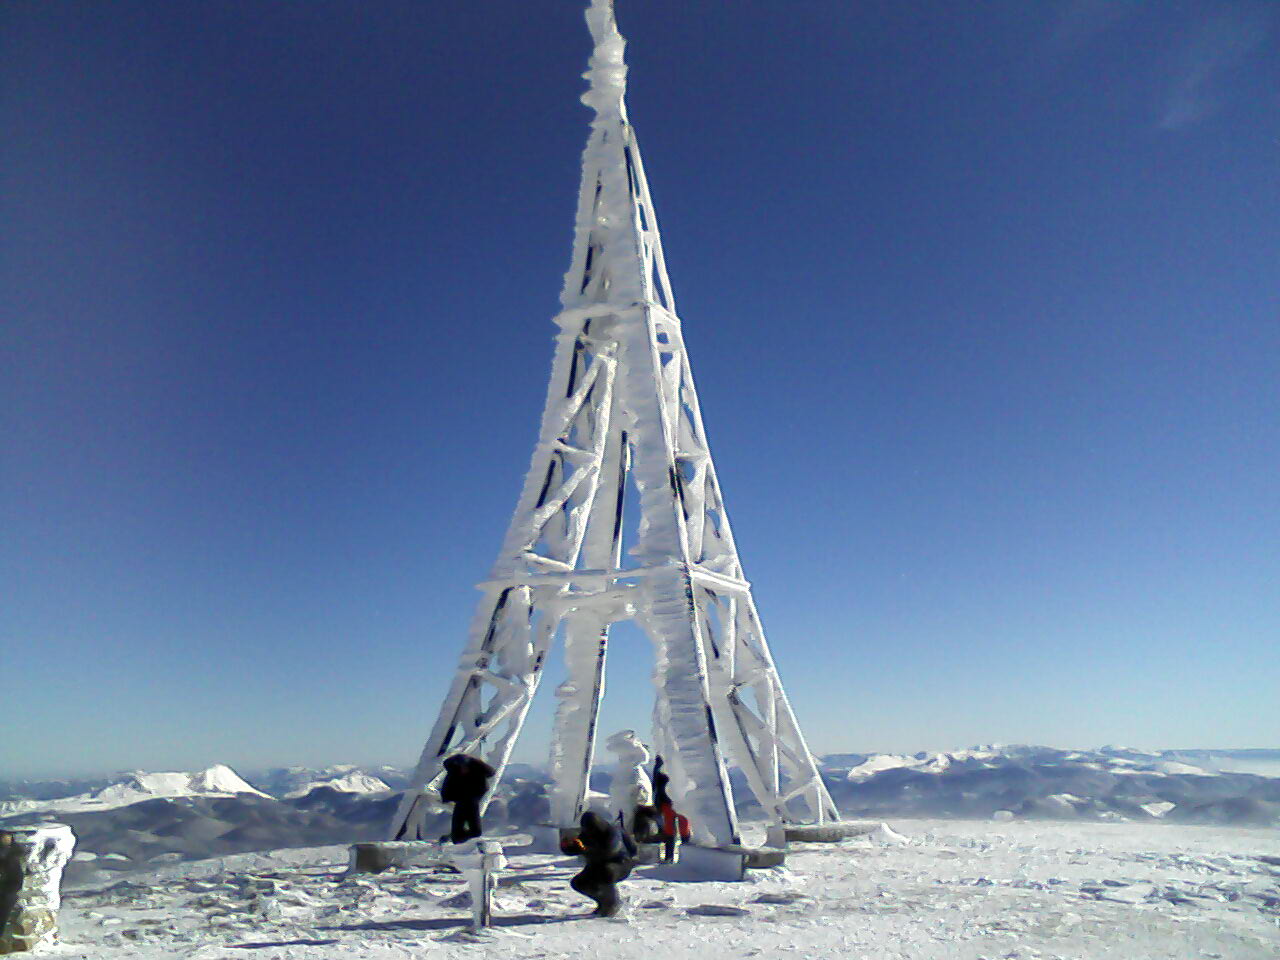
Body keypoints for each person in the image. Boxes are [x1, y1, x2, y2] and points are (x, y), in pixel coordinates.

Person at [563, 810, 636, 917]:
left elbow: (609, 852)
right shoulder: (587, 834)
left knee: (607, 872)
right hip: (597, 865)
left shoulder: (612, 832)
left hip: (620, 864)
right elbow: (577, 849)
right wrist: (567, 847)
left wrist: (586, 850)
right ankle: (603, 903)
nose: (588, 831)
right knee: (579, 883)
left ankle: (612, 903)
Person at [439, 753, 496, 844]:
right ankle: (458, 838)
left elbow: (491, 772)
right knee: (466, 825)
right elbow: (448, 785)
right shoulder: (454, 770)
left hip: (470, 797)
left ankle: (459, 838)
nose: (463, 769)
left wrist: (476, 762)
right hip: (464, 798)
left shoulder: (476, 769)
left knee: (468, 824)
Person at [651, 755, 691, 861]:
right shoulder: (678, 767)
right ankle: (685, 856)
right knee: (682, 828)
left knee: (673, 830)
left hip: (667, 802)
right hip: (673, 802)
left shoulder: (660, 769)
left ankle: (671, 857)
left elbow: (655, 787)